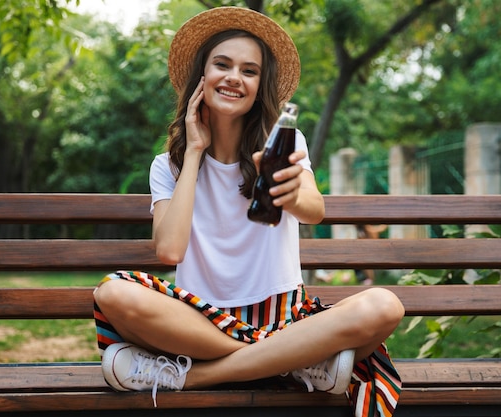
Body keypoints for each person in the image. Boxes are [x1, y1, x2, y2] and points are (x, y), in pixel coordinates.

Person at [93, 6, 405, 417]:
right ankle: (292, 361)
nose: (234, 78)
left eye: (249, 70)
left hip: (284, 317)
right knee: (112, 294)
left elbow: (314, 211)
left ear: (261, 85)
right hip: (198, 324)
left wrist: (289, 192)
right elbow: (169, 251)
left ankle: (190, 376)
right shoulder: (167, 166)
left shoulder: (285, 146)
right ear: (201, 78)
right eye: (222, 65)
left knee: (384, 306)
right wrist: (195, 153)